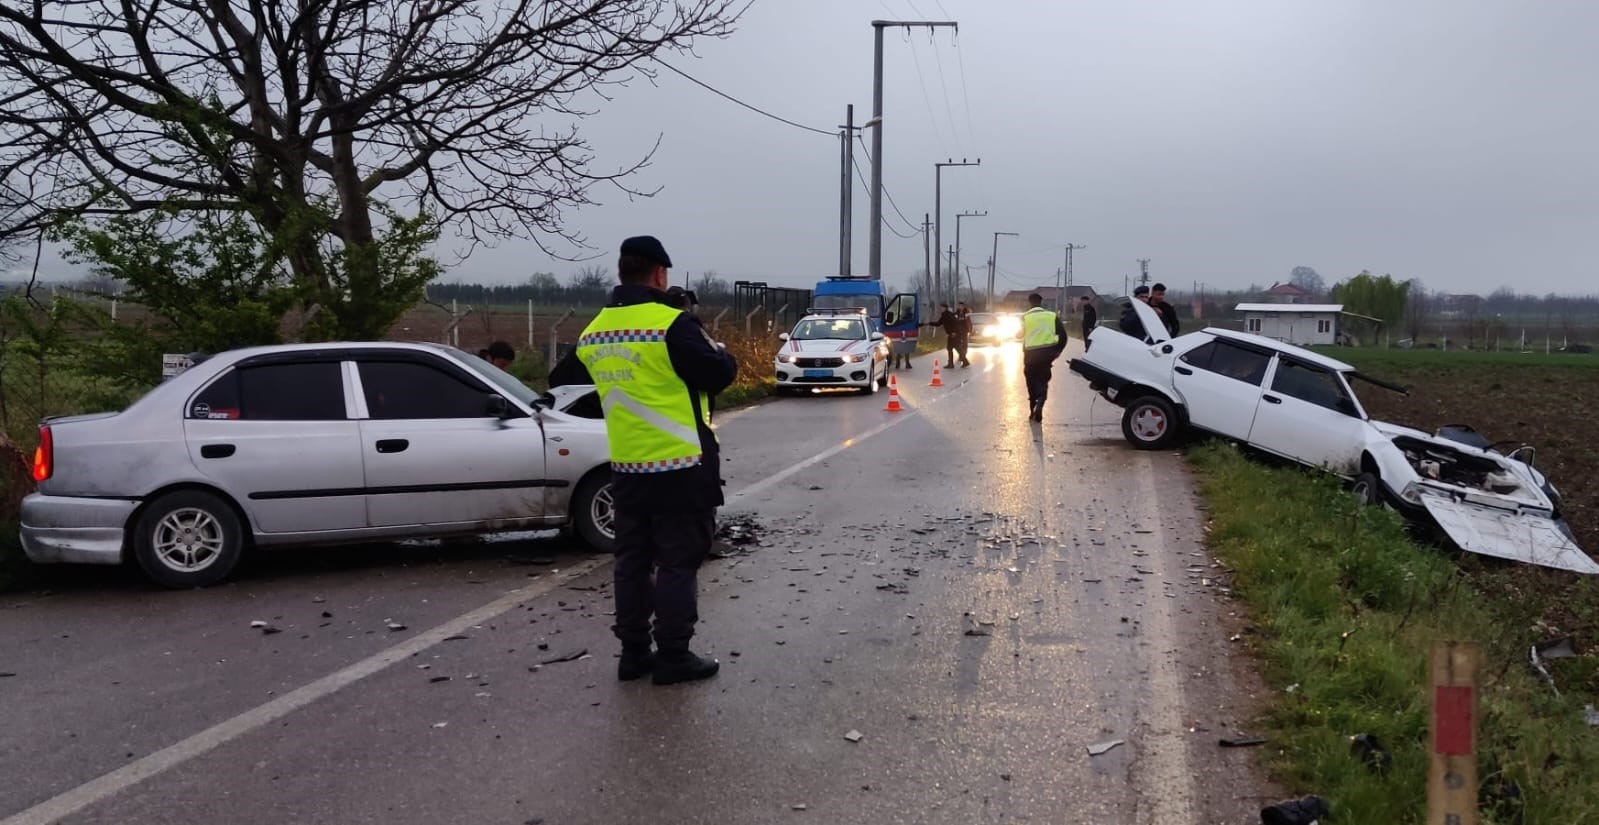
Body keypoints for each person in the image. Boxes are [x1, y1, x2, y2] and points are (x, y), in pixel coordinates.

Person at [558, 235, 737, 686]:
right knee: (678, 562)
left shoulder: (594, 331)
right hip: (680, 464)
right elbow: (719, 372)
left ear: (622, 273)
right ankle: (674, 655)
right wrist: (698, 327)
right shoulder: (672, 324)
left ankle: (634, 653)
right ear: (659, 274)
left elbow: (566, 377)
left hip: (627, 467)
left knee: (632, 561)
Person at [1021, 292, 1068, 422]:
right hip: (1046, 356)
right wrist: (1057, 351)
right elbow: (1063, 336)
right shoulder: (1052, 316)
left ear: (1030, 303)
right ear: (1041, 303)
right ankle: (1041, 402)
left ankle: (1032, 408)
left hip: (1030, 356)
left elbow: (1019, 334)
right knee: (1042, 381)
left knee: (1030, 382)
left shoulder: (1025, 317)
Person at [953, 301, 973, 367]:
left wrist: (970, 330)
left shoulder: (966, 313)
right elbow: (954, 320)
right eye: (959, 306)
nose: (960, 307)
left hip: (965, 331)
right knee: (958, 344)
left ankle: (963, 356)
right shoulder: (956, 313)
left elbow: (969, 322)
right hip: (958, 331)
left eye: (961, 306)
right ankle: (961, 355)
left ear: (963, 306)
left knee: (965, 344)